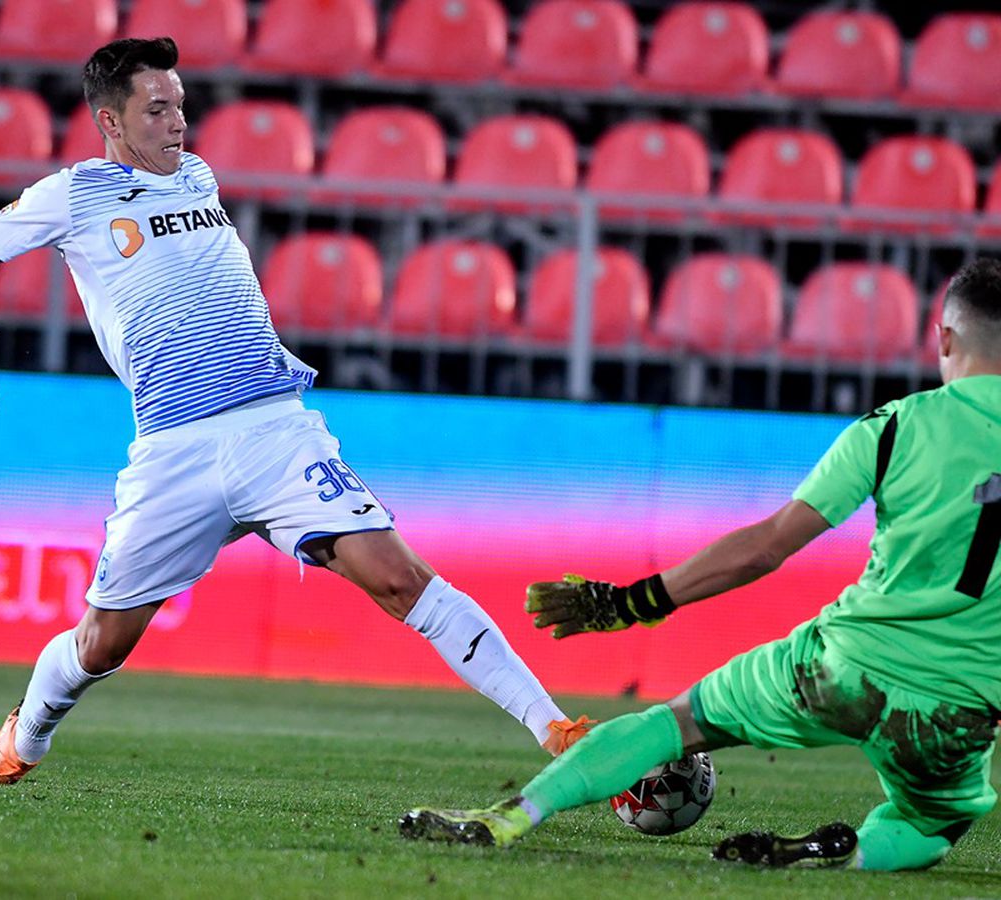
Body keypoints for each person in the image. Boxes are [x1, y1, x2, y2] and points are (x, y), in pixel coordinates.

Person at [0, 37, 593, 784]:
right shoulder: (74, 195)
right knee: (103, 644)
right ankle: (24, 737)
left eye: (181, 104)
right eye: (157, 109)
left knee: (398, 577)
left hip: (274, 429)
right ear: (109, 123)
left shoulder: (196, 177)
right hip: (175, 450)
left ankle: (559, 731)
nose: (179, 122)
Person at [400, 258, 1001, 872]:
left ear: (945, 338)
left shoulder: (895, 427)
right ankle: (845, 856)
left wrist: (632, 601)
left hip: (842, 665)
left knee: (673, 725)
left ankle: (513, 814)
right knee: (933, 821)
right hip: (960, 701)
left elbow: (768, 544)